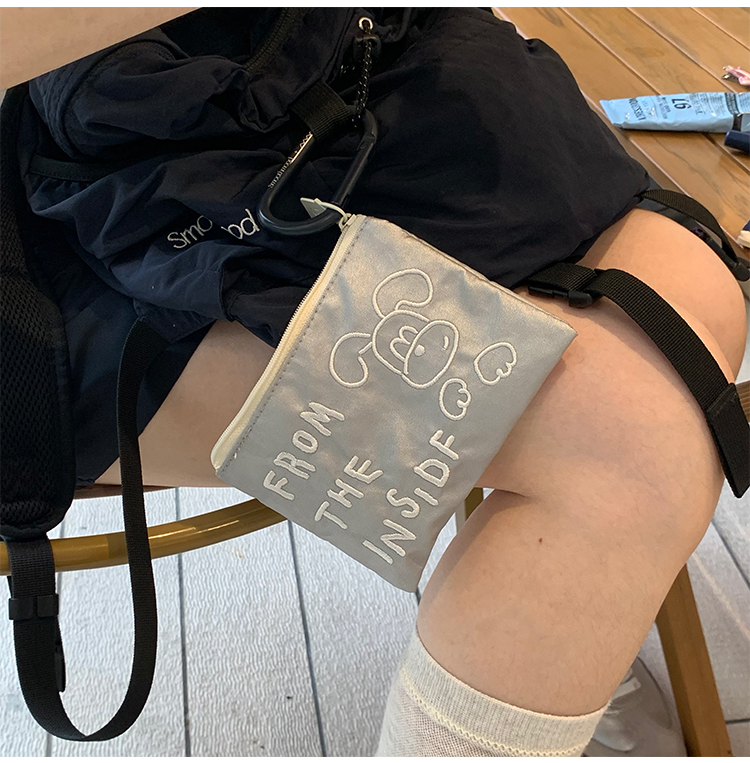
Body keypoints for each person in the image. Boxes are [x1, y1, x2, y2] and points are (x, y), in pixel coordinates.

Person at [13, 7, 748, 756]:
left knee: (696, 295)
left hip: (329, 90)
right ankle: (527, 667)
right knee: (629, 447)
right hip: (63, 231)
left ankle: (553, 639)